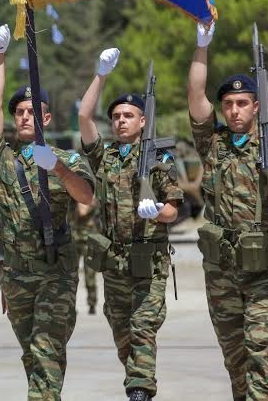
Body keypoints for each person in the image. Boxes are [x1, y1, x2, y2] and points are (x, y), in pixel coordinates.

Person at [186, 23, 268, 401]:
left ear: (256, 107)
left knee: (261, 351)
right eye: (229, 104)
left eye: (243, 103)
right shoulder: (214, 142)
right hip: (221, 271)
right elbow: (195, 94)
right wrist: (201, 46)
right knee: (235, 358)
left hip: (265, 269)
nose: (234, 110)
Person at [0, 24, 95, 400]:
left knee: (46, 347)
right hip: (16, 274)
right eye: (21, 112)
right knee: (32, 352)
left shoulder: (67, 159)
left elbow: (86, 196)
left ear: (47, 119)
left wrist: (57, 170)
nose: (26, 117)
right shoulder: (2, 158)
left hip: (55, 271)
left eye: (34, 112)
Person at [77, 48, 183, 401]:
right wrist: (101, 74)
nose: (121, 120)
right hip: (114, 261)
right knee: (122, 330)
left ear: (143, 122)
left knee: (142, 327)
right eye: (117, 116)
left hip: (148, 260)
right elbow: (84, 115)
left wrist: (158, 213)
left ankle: (139, 389)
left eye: (129, 115)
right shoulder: (104, 156)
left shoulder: (158, 158)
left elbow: (174, 209)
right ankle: (137, 380)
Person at [69, 200, 99, 315]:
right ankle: (71, 304)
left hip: (89, 240)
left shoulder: (90, 195)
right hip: (74, 239)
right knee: (71, 274)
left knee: (90, 274)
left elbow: (83, 211)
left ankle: (92, 303)